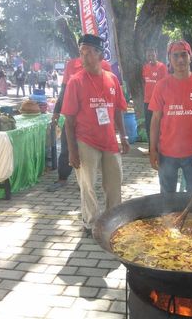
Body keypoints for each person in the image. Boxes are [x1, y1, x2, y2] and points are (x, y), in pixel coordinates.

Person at [61, 33, 130, 234]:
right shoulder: (75, 81)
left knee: (114, 183)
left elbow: (118, 109)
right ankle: (90, 222)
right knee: (88, 186)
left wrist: (124, 137)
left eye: (89, 53)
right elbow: (69, 121)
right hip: (85, 141)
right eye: (82, 53)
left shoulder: (112, 79)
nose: (84, 57)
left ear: (100, 55)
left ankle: (113, 220)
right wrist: (72, 152)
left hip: (109, 141)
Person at [149, 40, 192, 193]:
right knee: (167, 198)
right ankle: (169, 218)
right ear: (170, 59)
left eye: (183, 55)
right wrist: (152, 149)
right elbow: (155, 120)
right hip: (166, 153)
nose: (180, 59)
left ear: (190, 57)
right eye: (175, 56)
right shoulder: (161, 86)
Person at [48, 38, 112, 192]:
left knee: (95, 150)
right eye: (82, 49)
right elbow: (63, 91)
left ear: (97, 52)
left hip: (94, 117)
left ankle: (87, 181)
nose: (85, 53)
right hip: (72, 116)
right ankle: (62, 178)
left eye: (89, 50)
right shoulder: (71, 65)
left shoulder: (104, 65)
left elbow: (109, 92)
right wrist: (56, 112)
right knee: (66, 147)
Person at [142, 48, 167, 148]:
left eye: (152, 55)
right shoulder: (145, 67)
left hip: (159, 102)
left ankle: (160, 147)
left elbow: (165, 84)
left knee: (159, 125)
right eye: (149, 55)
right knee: (148, 125)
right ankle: (151, 148)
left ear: (156, 54)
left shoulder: (161, 67)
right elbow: (145, 82)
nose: (151, 57)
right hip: (147, 101)